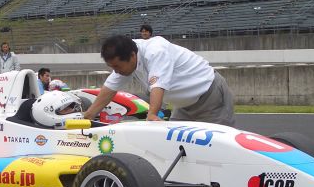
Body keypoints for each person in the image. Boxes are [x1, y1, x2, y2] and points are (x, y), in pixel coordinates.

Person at [83, 35, 235, 126]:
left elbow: (158, 85)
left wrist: (152, 114)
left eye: (117, 66)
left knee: (221, 148)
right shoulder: (127, 58)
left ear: (132, 56)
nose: (115, 71)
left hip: (211, 96)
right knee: (177, 148)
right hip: (183, 106)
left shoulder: (156, 50)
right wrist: (88, 117)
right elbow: (109, 89)